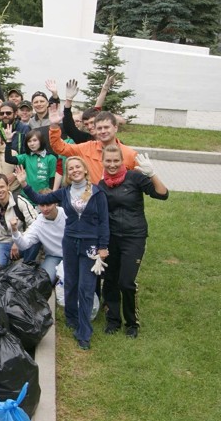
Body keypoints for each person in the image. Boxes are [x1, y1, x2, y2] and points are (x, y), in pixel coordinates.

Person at [16, 158, 110, 350]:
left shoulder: (98, 193)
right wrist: (24, 184)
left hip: (89, 245)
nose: (74, 170)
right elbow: (41, 199)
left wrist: (103, 246)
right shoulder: (65, 192)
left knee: (86, 286)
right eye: (70, 168)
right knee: (71, 282)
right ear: (67, 173)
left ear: (85, 170)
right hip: (69, 243)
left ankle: (84, 332)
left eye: (78, 167)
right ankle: (71, 318)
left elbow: (103, 222)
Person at [98, 146, 168, 338]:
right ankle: (113, 320)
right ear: (102, 162)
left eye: (116, 161)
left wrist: (152, 174)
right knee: (110, 280)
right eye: (108, 161)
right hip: (111, 238)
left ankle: (132, 323)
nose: (112, 165)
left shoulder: (135, 178)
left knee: (126, 282)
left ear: (122, 161)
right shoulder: (101, 185)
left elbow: (162, 194)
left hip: (133, 236)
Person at [48, 106, 138, 184]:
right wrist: (54, 125)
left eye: (106, 127)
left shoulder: (130, 154)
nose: (103, 131)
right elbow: (60, 147)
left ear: (115, 128)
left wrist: (151, 174)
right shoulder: (87, 148)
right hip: (94, 199)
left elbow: (143, 184)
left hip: (119, 202)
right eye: (99, 128)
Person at [10, 189, 65, 283]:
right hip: (53, 256)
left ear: (56, 203)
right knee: (43, 282)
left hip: (71, 255)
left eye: (48, 204)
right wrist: (15, 231)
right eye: (42, 205)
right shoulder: (38, 222)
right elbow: (24, 245)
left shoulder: (67, 214)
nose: (45, 209)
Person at [3, 128, 58, 196]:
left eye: (35, 140)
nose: (32, 144)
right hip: (27, 197)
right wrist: (8, 141)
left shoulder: (51, 158)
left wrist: (51, 196)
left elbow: (52, 179)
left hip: (43, 197)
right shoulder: (26, 157)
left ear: (41, 141)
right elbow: (9, 159)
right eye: (29, 141)